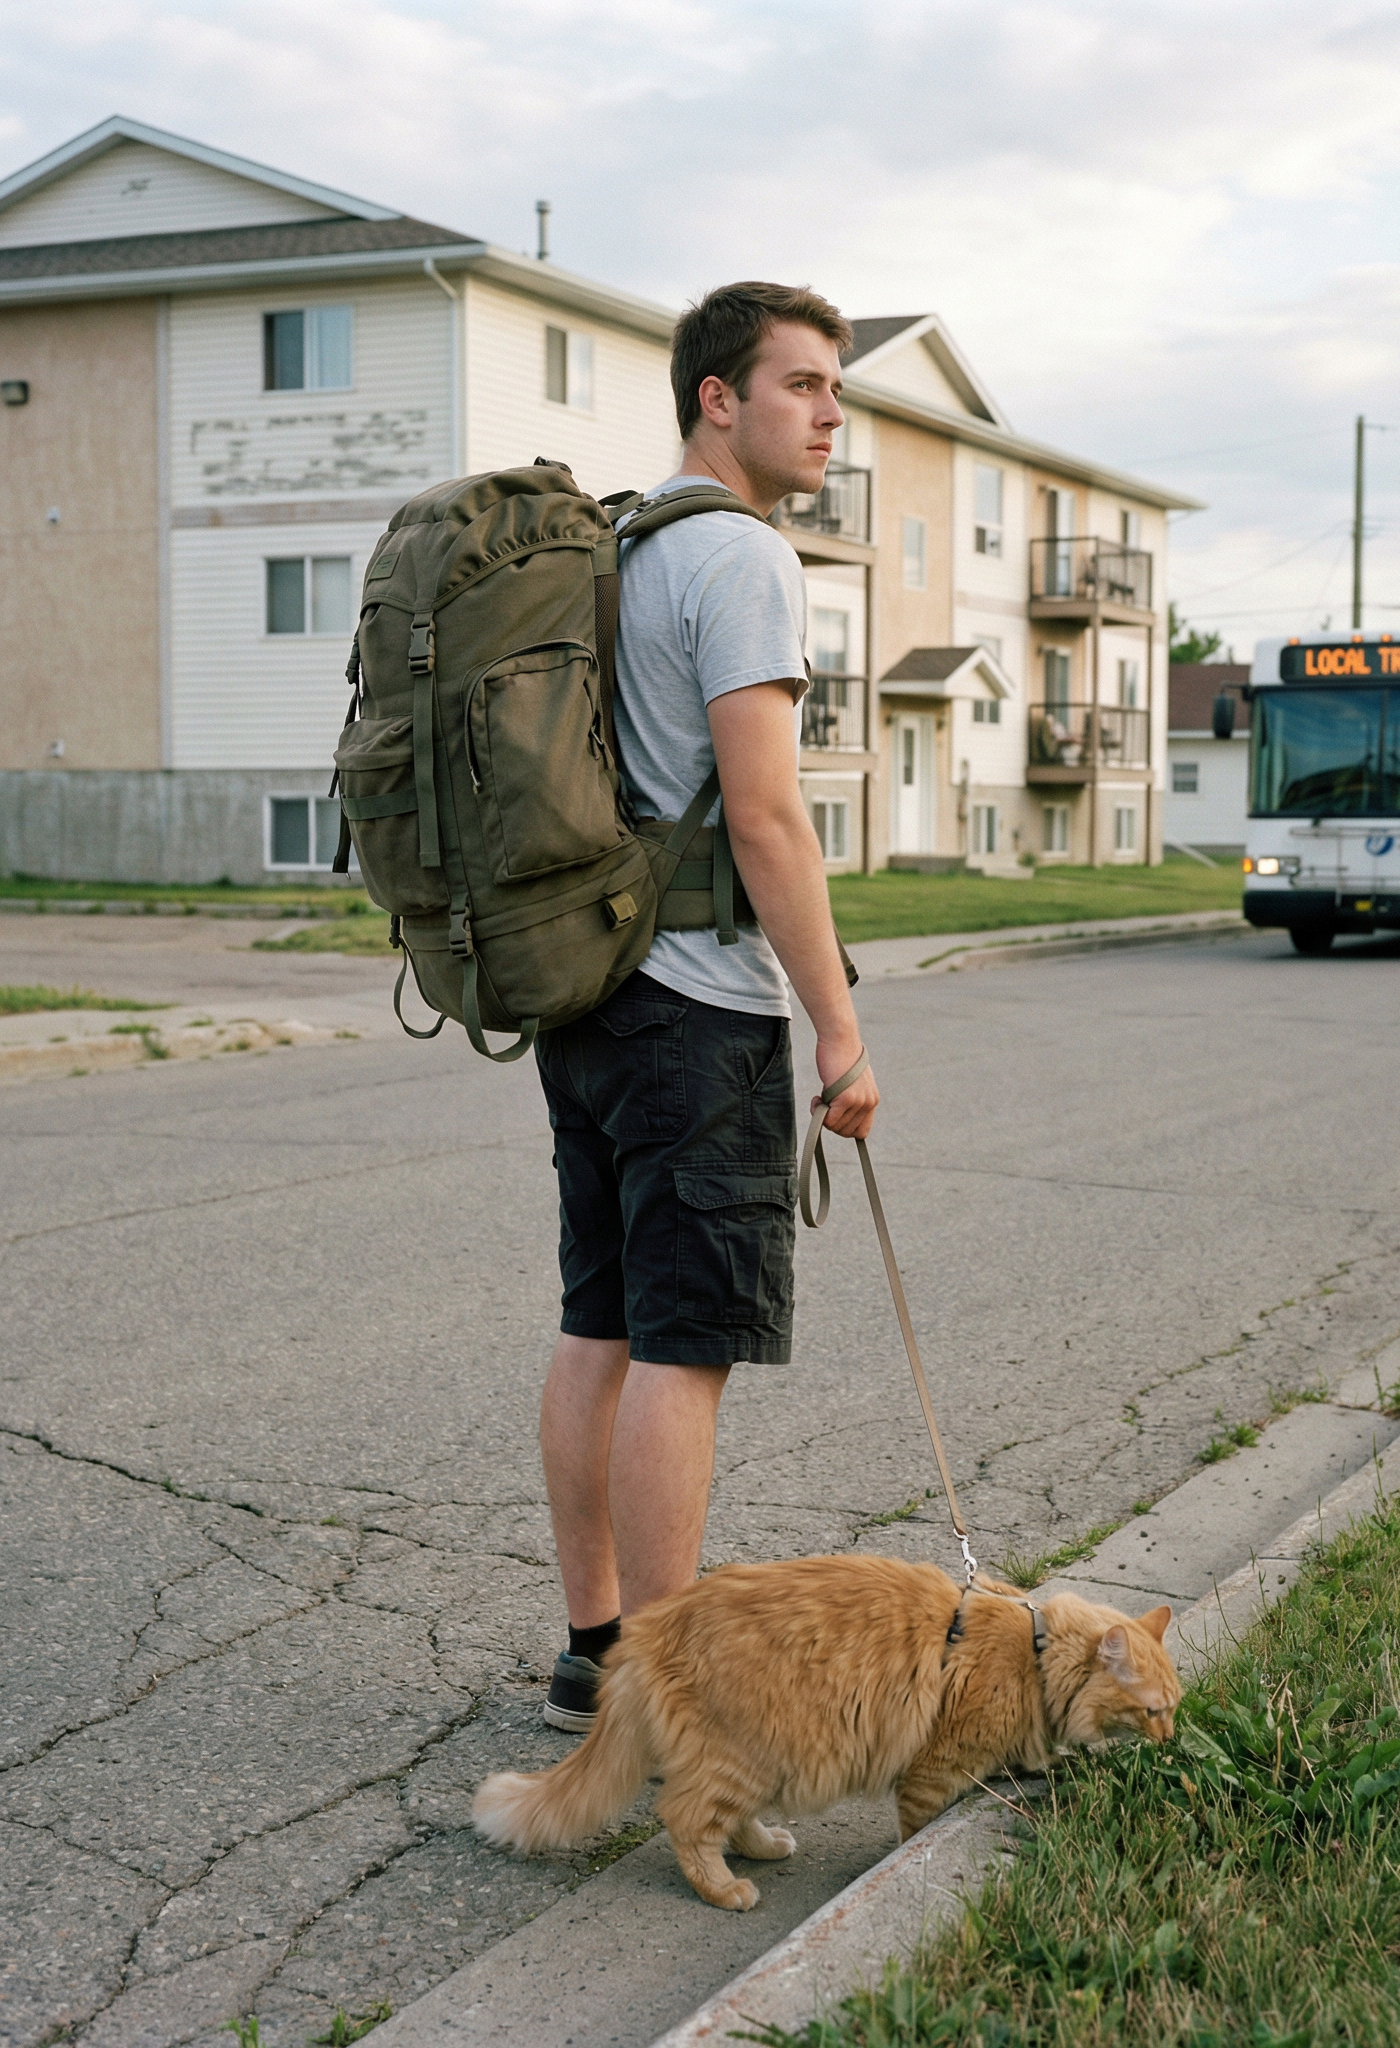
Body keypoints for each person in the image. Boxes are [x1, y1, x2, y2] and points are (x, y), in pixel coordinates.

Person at [532, 283, 883, 1731]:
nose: (828, 414)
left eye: (836, 391)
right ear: (716, 399)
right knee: (685, 1350)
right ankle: (672, 1713)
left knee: (598, 1323)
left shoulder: (617, 543)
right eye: (801, 385)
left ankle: (595, 1647)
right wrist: (839, 1023)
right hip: (699, 1008)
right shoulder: (739, 556)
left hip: (592, 993)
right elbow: (766, 815)